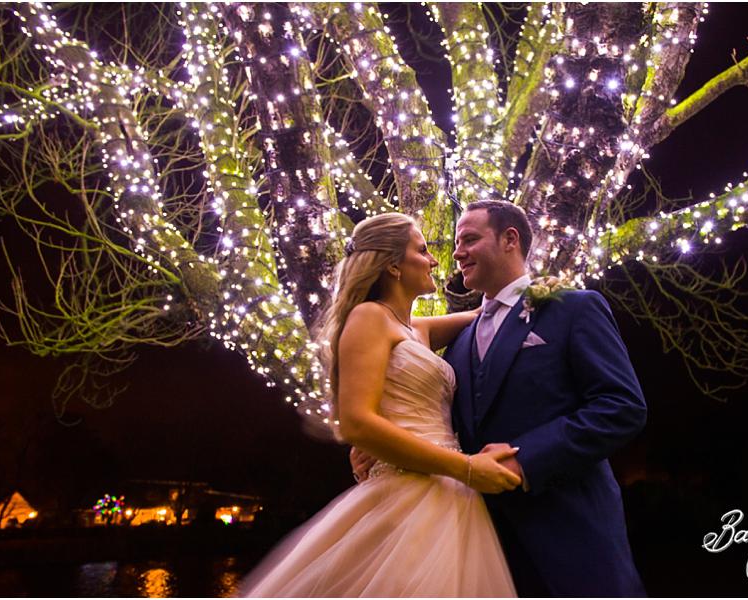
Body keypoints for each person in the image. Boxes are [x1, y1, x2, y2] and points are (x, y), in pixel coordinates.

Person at [355, 200, 648, 596]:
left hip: (570, 534)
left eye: (469, 239)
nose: (456, 253)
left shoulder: (573, 308)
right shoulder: (457, 340)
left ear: (510, 239)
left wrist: (525, 459)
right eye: (457, 243)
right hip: (476, 543)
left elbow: (621, 406)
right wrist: (386, 442)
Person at [240, 212, 521, 597]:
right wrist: (468, 467)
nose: (436, 260)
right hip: (409, 493)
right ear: (392, 265)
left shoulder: (416, 328)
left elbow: (487, 313)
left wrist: (538, 286)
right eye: (423, 251)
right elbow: (355, 423)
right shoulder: (368, 317)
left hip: (451, 495)